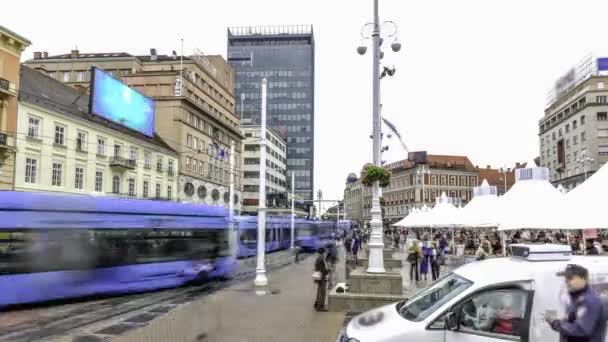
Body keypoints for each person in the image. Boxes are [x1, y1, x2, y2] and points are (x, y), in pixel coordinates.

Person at [545, 264, 607, 342]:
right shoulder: (578, 297)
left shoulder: (589, 300)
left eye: (570, 278)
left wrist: (555, 323)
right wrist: (567, 319)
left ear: (584, 278)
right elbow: (577, 318)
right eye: (566, 279)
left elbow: (581, 330)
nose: (567, 282)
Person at [313, 247, 329, 312]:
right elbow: (324, 269)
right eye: (325, 252)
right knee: (322, 292)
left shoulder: (318, 258)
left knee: (319, 290)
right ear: (323, 252)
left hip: (319, 276)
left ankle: (317, 304)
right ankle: (320, 306)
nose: (325, 253)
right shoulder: (322, 259)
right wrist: (328, 271)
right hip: (322, 277)